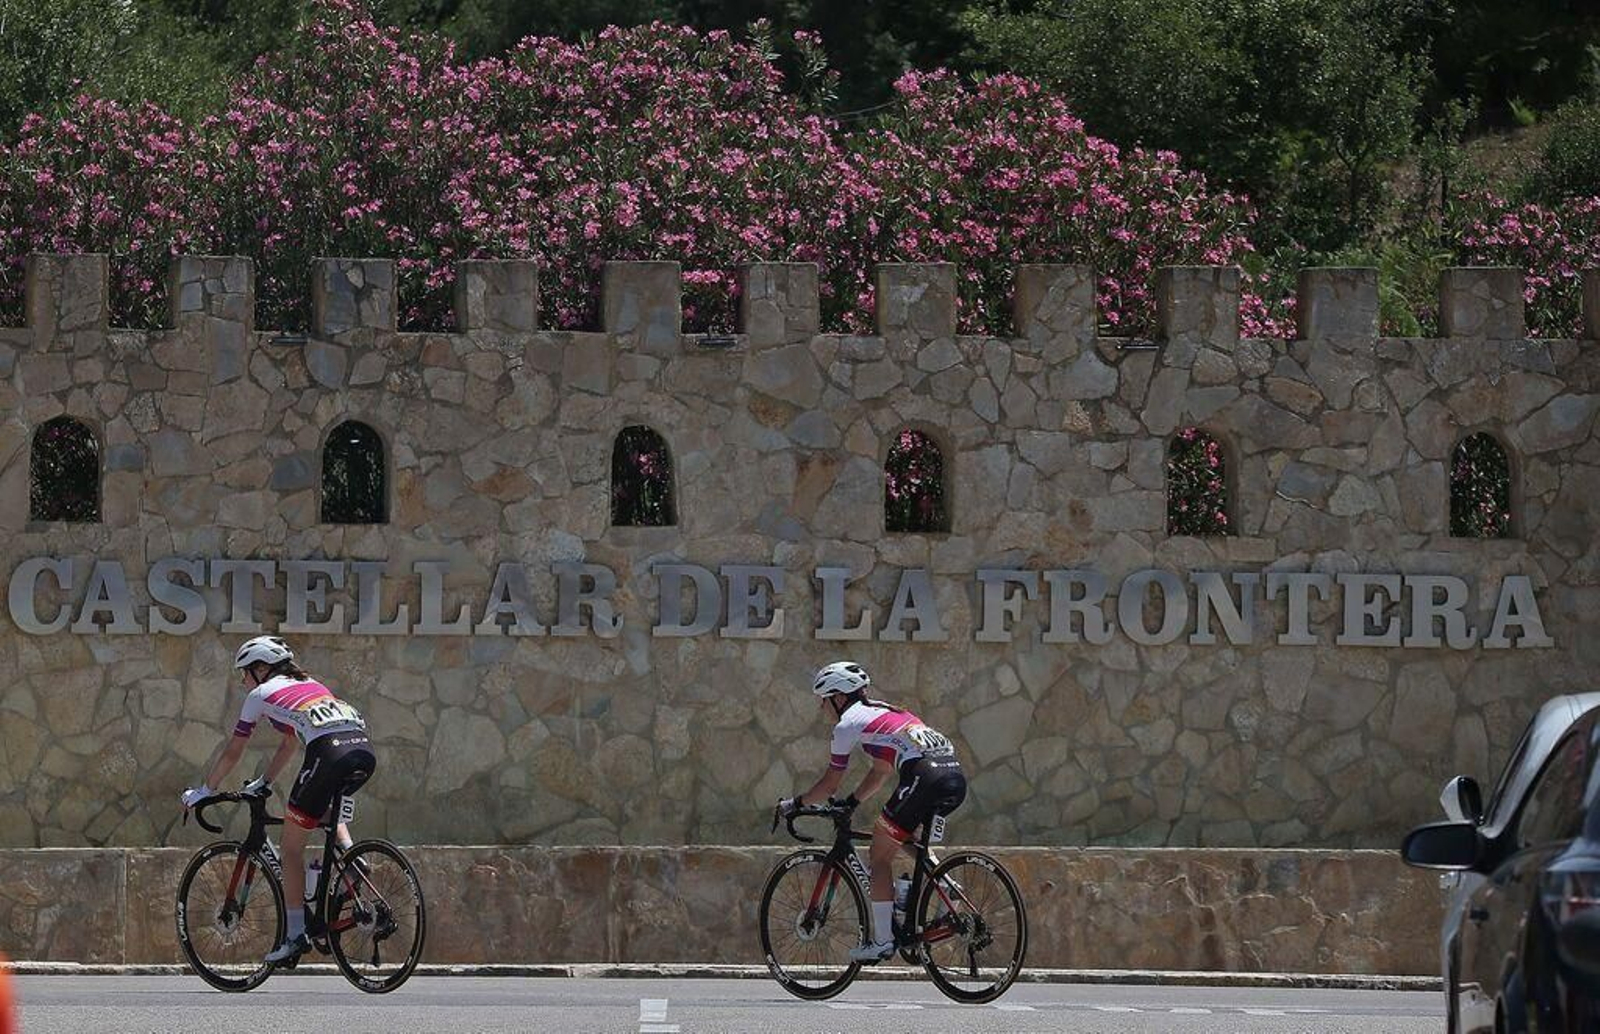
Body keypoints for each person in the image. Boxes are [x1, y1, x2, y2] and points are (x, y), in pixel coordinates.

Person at [180, 635, 375, 964]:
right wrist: (265, 781)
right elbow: (289, 744)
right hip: (363, 751)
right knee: (324, 807)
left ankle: (295, 936)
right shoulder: (311, 684)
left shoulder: (260, 694)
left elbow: (234, 751)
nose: (243, 681)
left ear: (261, 668)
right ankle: (352, 857)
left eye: (244, 672)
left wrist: (204, 791)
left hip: (329, 753)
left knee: (291, 848)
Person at [778, 660, 967, 963]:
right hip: (953, 777)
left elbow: (828, 785)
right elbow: (880, 772)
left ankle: (882, 942)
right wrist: (852, 801)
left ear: (839, 698)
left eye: (823, 700)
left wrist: (795, 804)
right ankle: (946, 885)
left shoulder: (847, 724)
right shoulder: (889, 712)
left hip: (924, 776)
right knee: (905, 838)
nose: (821, 708)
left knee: (879, 855)